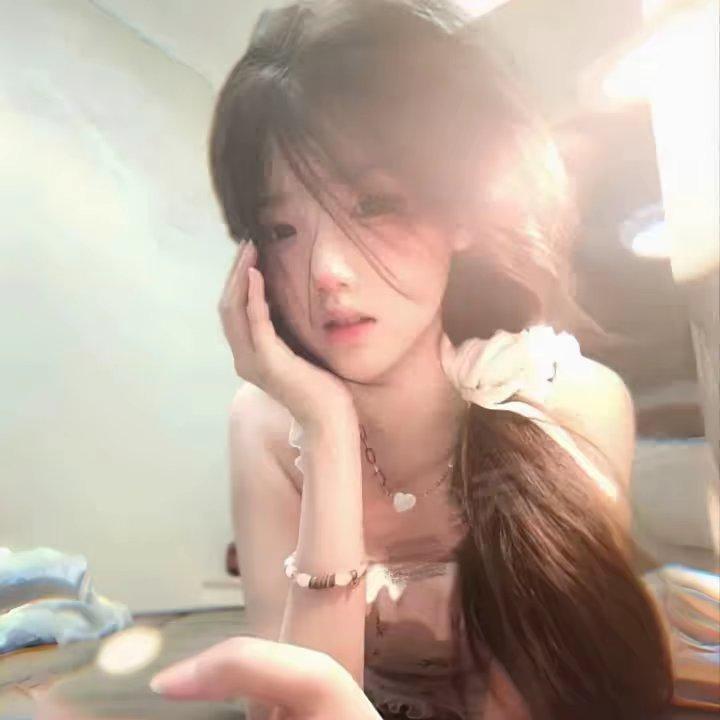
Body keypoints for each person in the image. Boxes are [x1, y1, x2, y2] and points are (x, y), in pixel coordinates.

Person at [154, 1, 673, 718]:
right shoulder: (268, 425)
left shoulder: (564, 398)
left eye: (373, 205)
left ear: (459, 210)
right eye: (281, 229)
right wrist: (327, 434)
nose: (327, 272)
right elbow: (285, 710)